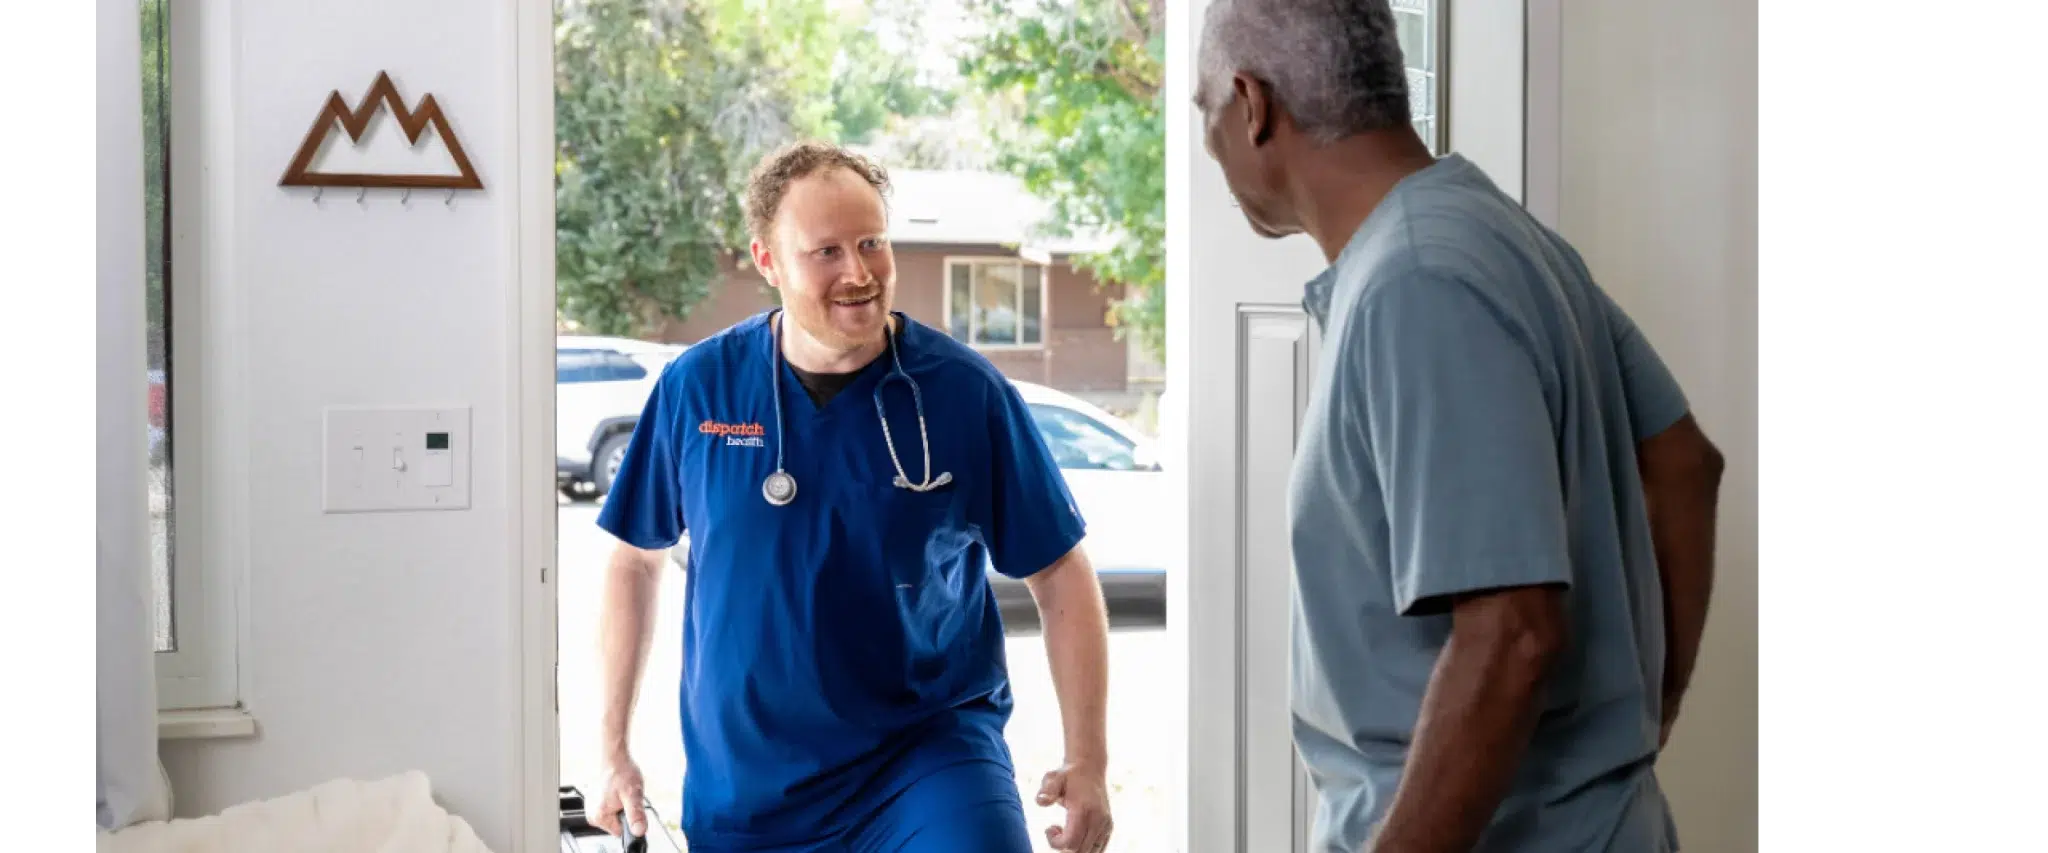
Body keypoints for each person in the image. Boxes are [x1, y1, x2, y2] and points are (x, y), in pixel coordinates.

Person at [1195, 2, 1726, 852]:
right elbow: (1684, 462)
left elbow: (1513, 634)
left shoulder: (1416, 281)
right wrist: (1641, 715)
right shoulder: (1500, 238)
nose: (1210, 141)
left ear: (1252, 105)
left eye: (1204, 111)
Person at [588, 140, 1116, 853]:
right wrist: (612, 747)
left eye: (872, 242)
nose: (859, 272)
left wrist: (1090, 759)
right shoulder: (698, 388)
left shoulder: (964, 392)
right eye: (827, 251)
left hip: (927, 754)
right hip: (749, 785)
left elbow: (1059, 569)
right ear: (767, 260)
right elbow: (633, 562)